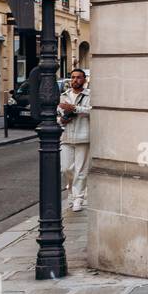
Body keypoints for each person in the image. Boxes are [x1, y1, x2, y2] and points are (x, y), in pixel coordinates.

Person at [57, 68, 90, 212]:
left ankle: (78, 198)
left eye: (78, 77)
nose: (75, 80)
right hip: (67, 136)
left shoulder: (90, 95)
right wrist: (61, 120)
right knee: (66, 168)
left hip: (83, 136)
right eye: (73, 77)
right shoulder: (64, 96)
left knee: (81, 170)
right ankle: (71, 191)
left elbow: (92, 110)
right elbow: (57, 115)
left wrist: (74, 108)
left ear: (84, 80)